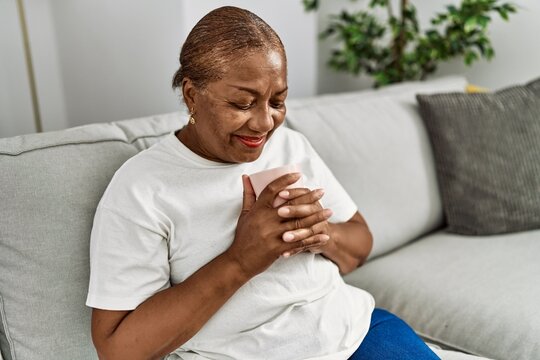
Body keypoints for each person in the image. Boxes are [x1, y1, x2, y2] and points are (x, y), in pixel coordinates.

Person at [86, 6, 440, 360]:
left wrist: (319, 234)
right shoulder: (142, 188)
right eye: (242, 103)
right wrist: (241, 260)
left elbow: (359, 247)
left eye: (278, 101)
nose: (264, 124)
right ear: (192, 95)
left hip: (357, 332)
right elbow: (117, 351)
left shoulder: (290, 146)